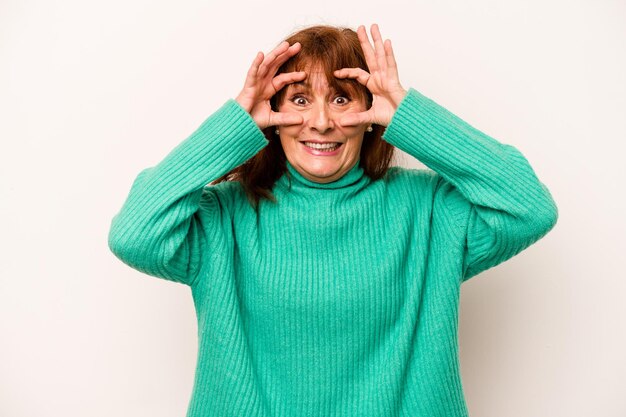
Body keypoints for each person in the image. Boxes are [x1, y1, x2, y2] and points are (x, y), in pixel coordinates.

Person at [108, 23, 558, 417]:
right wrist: (234, 124)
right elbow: (134, 235)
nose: (321, 122)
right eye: (299, 100)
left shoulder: (430, 210)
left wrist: (410, 113)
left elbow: (529, 206)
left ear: (370, 115)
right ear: (272, 117)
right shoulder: (223, 216)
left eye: (341, 99)